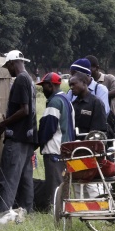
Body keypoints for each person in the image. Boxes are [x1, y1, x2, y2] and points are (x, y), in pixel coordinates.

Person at [0, 50, 38, 214]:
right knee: (26, 179)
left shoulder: (20, 80)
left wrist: (2, 125)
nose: (8, 70)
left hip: (17, 138)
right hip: (28, 139)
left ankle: (2, 214)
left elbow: (24, 110)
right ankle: (27, 211)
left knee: (8, 179)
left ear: (13, 63)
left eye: (8, 67)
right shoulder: (30, 79)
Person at [37, 72, 75, 209]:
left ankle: (57, 212)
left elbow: (48, 128)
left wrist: (37, 142)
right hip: (66, 148)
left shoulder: (54, 102)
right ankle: (64, 209)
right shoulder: (66, 99)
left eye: (44, 86)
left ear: (50, 85)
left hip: (55, 150)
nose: (42, 89)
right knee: (63, 183)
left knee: (55, 185)